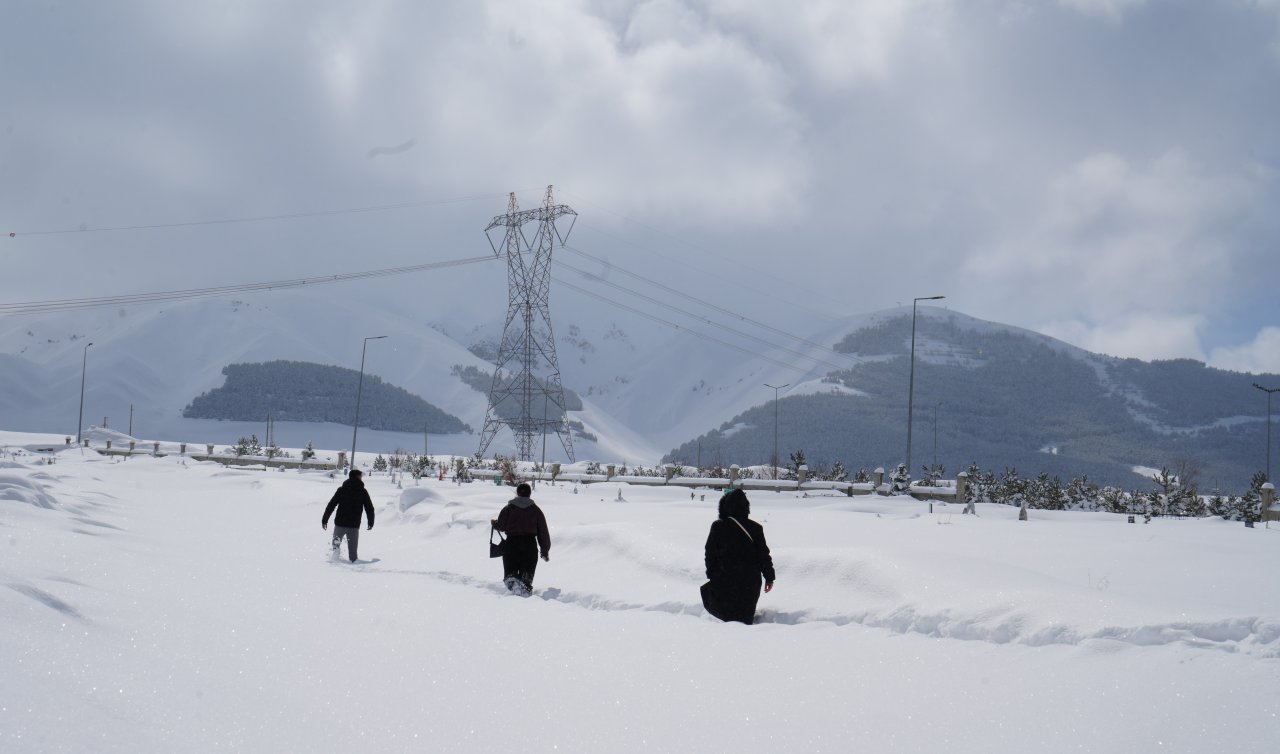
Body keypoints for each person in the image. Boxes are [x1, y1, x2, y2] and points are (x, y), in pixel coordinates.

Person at [701, 488, 775, 624]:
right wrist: (769, 578)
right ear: (746, 508)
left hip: (724, 580)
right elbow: (763, 555)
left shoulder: (718, 527)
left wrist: (712, 575)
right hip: (750, 583)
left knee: (727, 619)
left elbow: (710, 554)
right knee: (744, 619)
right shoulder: (756, 528)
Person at [491, 482, 550, 595]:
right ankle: (525, 593)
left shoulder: (508, 508)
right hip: (529, 545)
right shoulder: (536, 511)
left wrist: (494, 523)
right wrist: (545, 551)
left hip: (511, 545)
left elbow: (501, 526)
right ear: (530, 494)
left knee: (511, 577)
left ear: (517, 493)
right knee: (526, 579)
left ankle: (513, 595)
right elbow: (543, 532)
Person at [322, 469, 375, 562]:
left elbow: (331, 505)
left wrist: (324, 519)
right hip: (353, 526)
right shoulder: (363, 491)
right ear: (357, 477)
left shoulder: (342, 489)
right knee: (353, 556)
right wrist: (371, 521)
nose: (362, 478)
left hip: (339, 524)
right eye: (360, 476)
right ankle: (351, 571)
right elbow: (369, 508)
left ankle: (333, 568)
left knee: (335, 550)